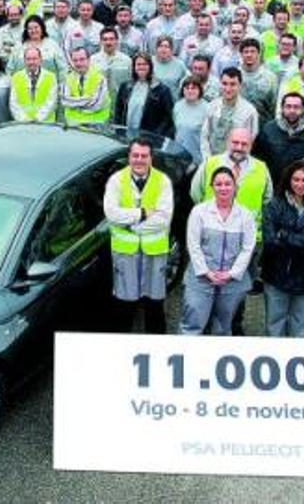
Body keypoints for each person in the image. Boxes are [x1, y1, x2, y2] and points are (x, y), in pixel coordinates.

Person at [103, 138, 175, 334]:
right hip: (125, 253)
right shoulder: (116, 180)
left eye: (144, 156)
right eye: (135, 155)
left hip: (154, 252)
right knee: (125, 306)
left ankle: (157, 349)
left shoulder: (163, 181)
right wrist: (142, 214)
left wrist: (131, 226)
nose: (139, 160)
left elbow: (163, 218)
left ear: (151, 158)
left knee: (155, 305)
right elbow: (111, 213)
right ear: (129, 157)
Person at [179, 166, 256, 336]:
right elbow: (193, 245)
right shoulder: (199, 212)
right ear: (212, 187)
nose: (223, 188)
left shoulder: (246, 215)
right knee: (192, 324)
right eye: (218, 184)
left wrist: (232, 273)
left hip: (232, 281)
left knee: (223, 327)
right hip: (201, 278)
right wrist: (206, 272)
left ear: (235, 186)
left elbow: (247, 248)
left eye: (228, 184)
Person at [261, 161, 304, 337]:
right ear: (288, 180)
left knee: (298, 325)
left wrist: (285, 236)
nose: (300, 184)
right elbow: (270, 241)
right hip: (277, 275)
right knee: (274, 324)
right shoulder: (275, 205)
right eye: (296, 179)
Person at [252, 91, 304, 183]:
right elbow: (257, 159)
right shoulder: (268, 130)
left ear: (303, 109)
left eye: (296, 107)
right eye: (288, 106)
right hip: (273, 185)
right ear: (282, 108)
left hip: (302, 187)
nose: (292, 110)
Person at [199, 68, 258, 158]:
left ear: (240, 86)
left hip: (235, 163)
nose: (228, 89)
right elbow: (204, 136)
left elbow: (250, 141)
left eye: (233, 84)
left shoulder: (249, 111)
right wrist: (208, 159)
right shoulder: (211, 106)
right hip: (211, 160)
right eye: (224, 84)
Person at [112, 52, 175, 137]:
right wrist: (119, 131)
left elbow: (168, 118)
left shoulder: (161, 89)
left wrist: (156, 134)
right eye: (138, 64)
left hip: (150, 138)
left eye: (145, 64)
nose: (141, 67)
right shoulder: (125, 87)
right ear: (134, 67)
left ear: (150, 66)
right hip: (126, 136)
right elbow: (118, 111)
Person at [60, 46, 110, 126]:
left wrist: (75, 104)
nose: (78, 63)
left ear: (89, 60)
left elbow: (96, 105)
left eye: (82, 59)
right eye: (75, 60)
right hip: (73, 123)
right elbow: (65, 101)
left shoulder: (100, 78)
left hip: (95, 123)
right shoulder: (67, 78)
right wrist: (88, 99)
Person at [9, 46, 59, 123]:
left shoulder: (51, 77)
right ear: (24, 61)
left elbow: (51, 102)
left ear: (40, 59)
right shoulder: (16, 77)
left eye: (34, 59)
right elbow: (14, 103)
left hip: (45, 123)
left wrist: (37, 119)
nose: (31, 62)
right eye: (28, 59)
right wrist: (24, 119)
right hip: (23, 123)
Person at [173, 76, 210, 166]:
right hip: (179, 157)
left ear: (200, 90)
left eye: (194, 88)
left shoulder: (207, 108)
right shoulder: (177, 106)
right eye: (187, 88)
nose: (190, 91)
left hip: (198, 159)